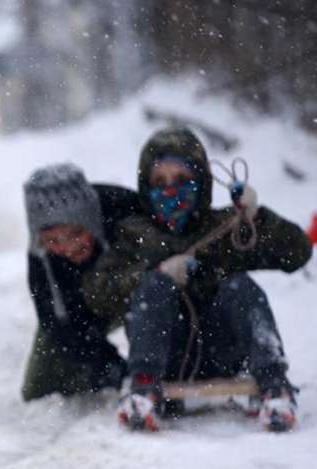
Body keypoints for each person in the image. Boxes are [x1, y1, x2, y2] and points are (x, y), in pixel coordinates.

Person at [82, 127, 312, 432]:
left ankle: (274, 385)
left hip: (220, 349)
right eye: (159, 182)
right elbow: (97, 293)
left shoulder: (224, 226)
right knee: (154, 286)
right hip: (165, 356)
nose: (169, 191)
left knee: (240, 286)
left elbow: (297, 252)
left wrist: (257, 218)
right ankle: (143, 390)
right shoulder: (133, 234)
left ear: (201, 182)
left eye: (181, 181)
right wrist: (154, 274)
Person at [21, 164, 143, 401]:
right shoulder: (41, 255)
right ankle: (88, 380)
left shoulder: (126, 210)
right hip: (81, 307)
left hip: (133, 293)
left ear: (91, 222)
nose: (68, 248)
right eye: (53, 241)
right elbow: (54, 320)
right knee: (38, 389)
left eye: (76, 234)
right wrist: (103, 361)